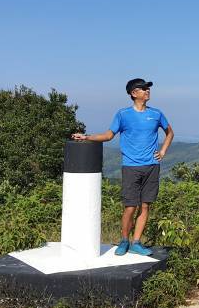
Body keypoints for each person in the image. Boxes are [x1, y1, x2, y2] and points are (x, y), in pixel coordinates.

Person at [72, 78, 174, 256]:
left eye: (147, 88)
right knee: (130, 207)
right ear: (133, 93)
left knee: (145, 206)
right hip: (131, 167)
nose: (147, 91)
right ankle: (124, 240)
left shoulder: (156, 114)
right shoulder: (123, 114)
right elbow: (109, 135)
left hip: (152, 165)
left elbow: (170, 133)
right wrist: (87, 137)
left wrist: (163, 151)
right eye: (143, 88)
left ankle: (136, 242)